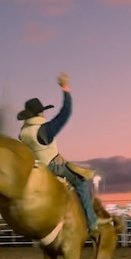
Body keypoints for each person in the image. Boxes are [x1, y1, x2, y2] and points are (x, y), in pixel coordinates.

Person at [17, 72, 109, 237]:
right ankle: (91, 222)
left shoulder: (24, 132)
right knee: (80, 182)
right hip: (52, 167)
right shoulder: (45, 129)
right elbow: (65, 113)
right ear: (40, 113)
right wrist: (65, 89)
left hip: (36, 168)